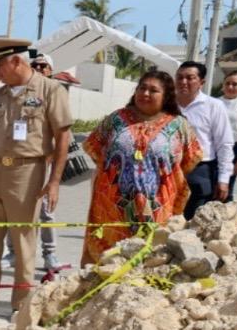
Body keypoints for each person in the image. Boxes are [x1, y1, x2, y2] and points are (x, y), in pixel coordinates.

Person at [0, 39, 72, 320]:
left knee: (24, 241)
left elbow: (62, 136)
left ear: (16, 62)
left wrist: (54, 181)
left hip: (28, 171)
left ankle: (21, 305)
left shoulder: (50, 90)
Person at [79, 70, 202, 264]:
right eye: (142, 88)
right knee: (108, 261)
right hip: (111, 207)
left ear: (166, 96)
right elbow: (96, 151)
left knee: (151, 259)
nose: (145, 93)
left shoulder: (179, 126)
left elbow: (188, 161)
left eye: (153, 90)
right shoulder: (115, 120)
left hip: (158, 208)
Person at [174, 61, 235, 218]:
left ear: (201, 82)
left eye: (190, 78)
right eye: (180, 77)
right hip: (169, 171)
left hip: (200, 171)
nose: (183, 82)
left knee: (194, 222)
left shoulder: (214, 106)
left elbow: (224, 144)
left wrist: (223, 179)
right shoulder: (166, 105)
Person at [23, 54, 61, 272]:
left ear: (50, 70)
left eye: (43, 65)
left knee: (46, 210)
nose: (38, 68)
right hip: (21, 160)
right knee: (16, 208)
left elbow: (61, 131)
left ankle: (50, 254)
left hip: (44, 160)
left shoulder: (55, 92)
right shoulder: (22, 90)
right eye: (34, 65)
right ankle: (14, 251)